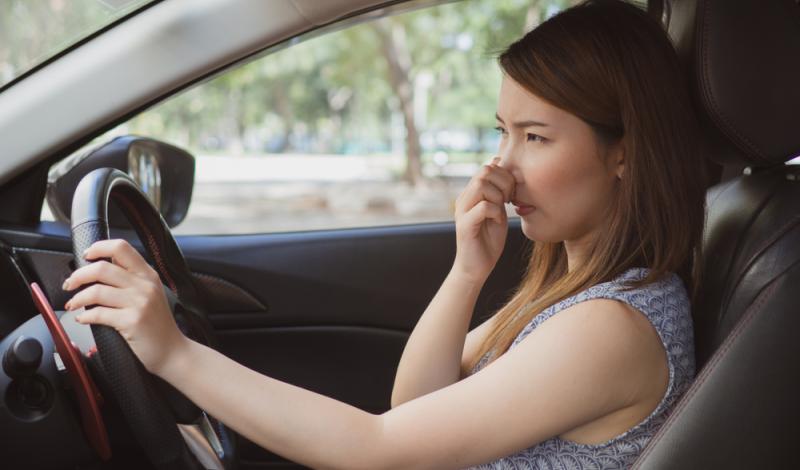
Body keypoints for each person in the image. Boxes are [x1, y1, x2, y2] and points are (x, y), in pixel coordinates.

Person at [61, 0, 707, 468]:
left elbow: (380, 450)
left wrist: (175, 355)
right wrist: (466, 273)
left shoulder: (612, 327)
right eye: (501, 132)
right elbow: (413, 405)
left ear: (624, 152)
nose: (501, 167)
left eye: (534, 137)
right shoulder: (573, 291)